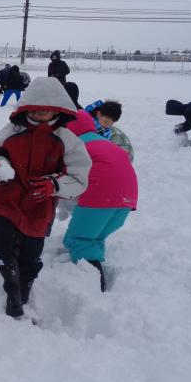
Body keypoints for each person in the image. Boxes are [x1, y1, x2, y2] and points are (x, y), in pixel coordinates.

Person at [0, 77, 91, 318]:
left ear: (58, 110)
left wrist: (55, 184)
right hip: (7, 199)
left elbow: (79, 177)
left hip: (40, 205)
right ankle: (12, 287)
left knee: (31, 253)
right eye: (34, 110)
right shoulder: (12, 131)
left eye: (45, 111)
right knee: (2, 245)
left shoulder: (67, 140)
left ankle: (25, 284)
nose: (38, 115)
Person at [64, 110, 138, 291]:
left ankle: (93, 289)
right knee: (94, 237)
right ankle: (95, 273)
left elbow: (66, 174)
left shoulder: (76, 146)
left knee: (79, 239)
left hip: (101, 197)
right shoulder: (105, 142)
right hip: (128, 199)